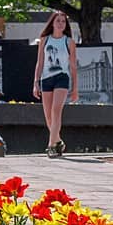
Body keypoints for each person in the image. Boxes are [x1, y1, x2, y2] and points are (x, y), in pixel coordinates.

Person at [33, 10, 79, 158]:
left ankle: (51, 145)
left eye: (63, 21)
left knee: (56, 110)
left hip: (62, 77)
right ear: (52, 23)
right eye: (58, 20)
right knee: (48, 116)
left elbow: (72, 66)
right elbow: (40, 62)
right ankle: (59, 141)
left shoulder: (69, 42)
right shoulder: (44, 40)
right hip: (46, 78)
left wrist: (75, 88)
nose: (60, 23)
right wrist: (35, 82)